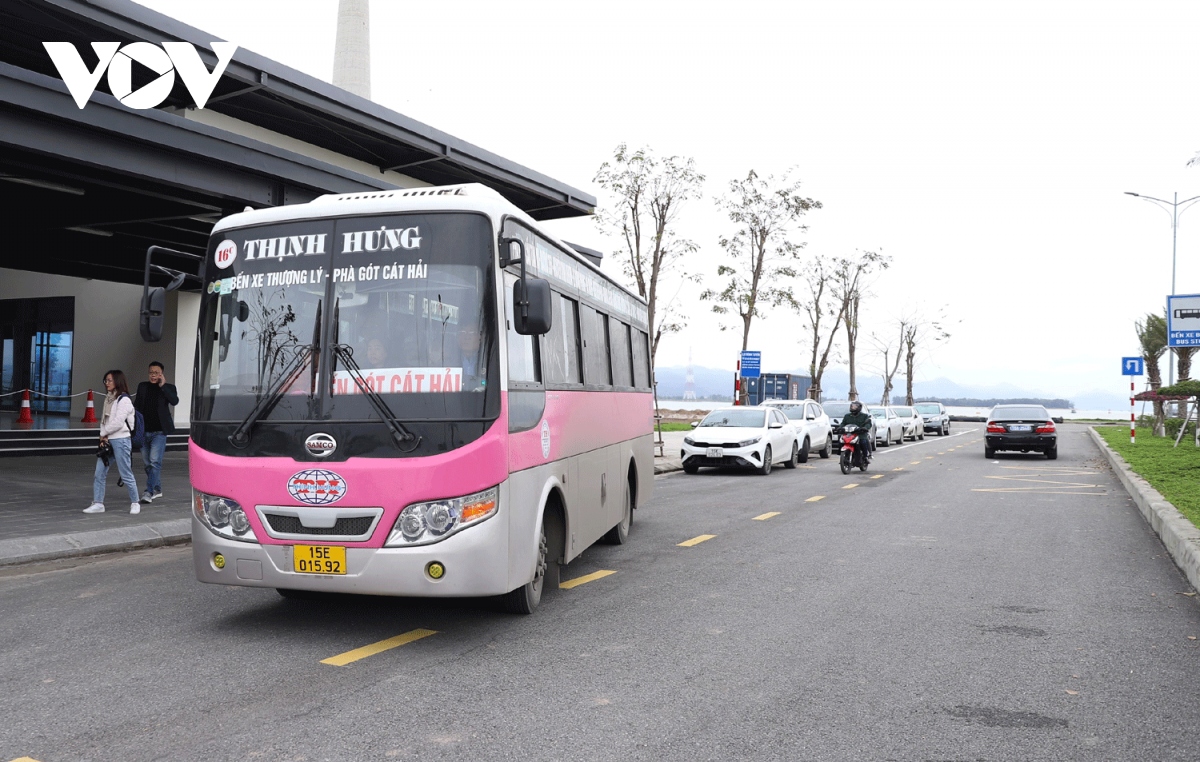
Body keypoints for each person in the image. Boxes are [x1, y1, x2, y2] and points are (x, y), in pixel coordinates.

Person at [83, 370, 142, 514]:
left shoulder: (124, 400)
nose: (107, 383)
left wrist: (104, 433)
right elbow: (105, 420)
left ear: (118, 381)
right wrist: (102, 437)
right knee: (99, 473)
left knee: (125, 472)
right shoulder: (109, 398)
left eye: (109, 380)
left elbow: (118, 422)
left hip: (121, 440)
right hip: (108, 440)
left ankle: (135, 502)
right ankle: (98, 503)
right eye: (106, 381)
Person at [134, 361, 179, 503]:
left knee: (155, 462)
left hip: (159, 432)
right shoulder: (142, 386)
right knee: (148, 464)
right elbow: (136, 406)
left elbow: (174, 401)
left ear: (161, 373)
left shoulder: (168, 388)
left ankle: (149, 491)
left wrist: (163, 386)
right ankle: (157, 488)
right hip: (143, 432)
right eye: (151, 372)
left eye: (156, 373)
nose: (153, 375)